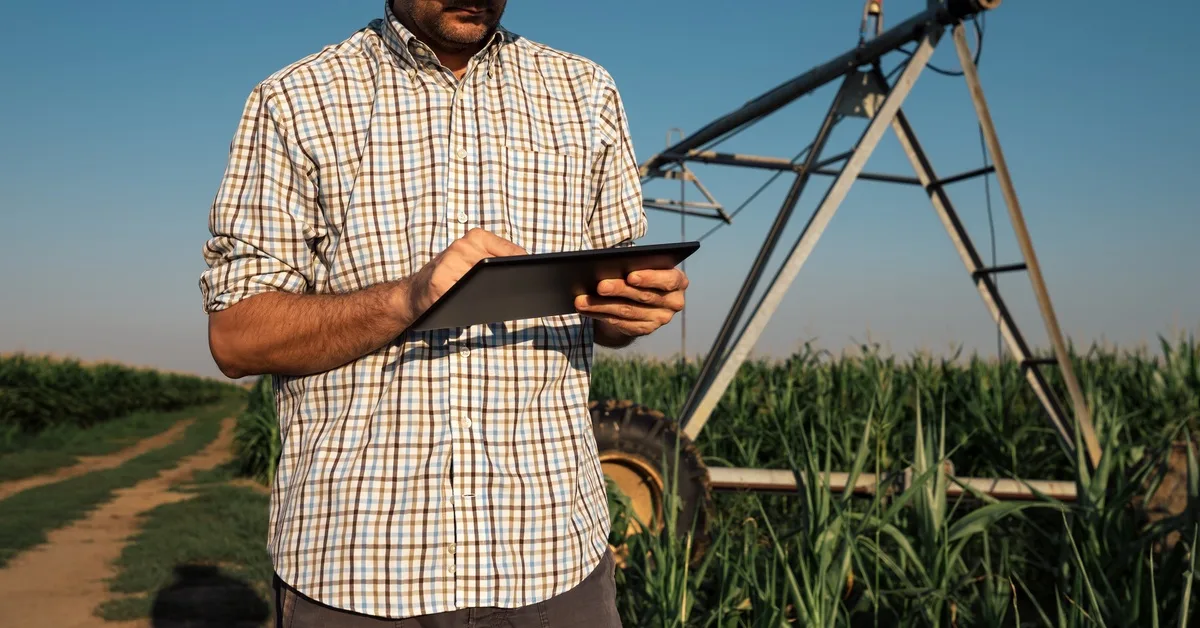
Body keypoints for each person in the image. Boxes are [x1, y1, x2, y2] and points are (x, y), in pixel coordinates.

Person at [198, 1, 688, 626]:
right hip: (358, 568)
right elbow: (237, 338)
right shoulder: (294, 99)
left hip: (555, 559)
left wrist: (635, 306)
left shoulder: (585, 91)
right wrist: (409, 298)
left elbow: (611, 307)